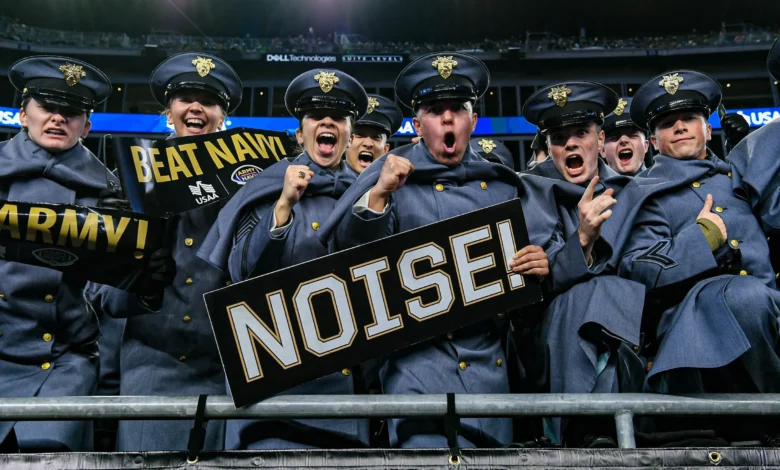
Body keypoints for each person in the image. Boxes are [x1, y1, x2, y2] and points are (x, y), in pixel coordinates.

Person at [319, 52, 549, 449]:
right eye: (434, 110)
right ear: (417, 124)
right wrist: (379, 196)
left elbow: (524, 307)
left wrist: (536, 271)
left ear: (473, 120)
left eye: (457, 109)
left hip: (489, 373)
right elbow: (349, 263)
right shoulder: (389, 176)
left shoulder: (503, 185)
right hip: (414, 368)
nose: (447, 119)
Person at [199, 68, 370, 450]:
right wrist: (282, 207)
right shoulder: (267, 186)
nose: (327, 122)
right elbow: (241, 272)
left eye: (338, 117)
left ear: (349, 134)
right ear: (299, 134)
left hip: (345, 385)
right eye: (316, 116)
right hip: (273, 381)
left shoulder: (369, 191)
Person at [85, 52, 243, 452]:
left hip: (229, 369)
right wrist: (138, 282)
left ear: (222, 117)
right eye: (185, 99)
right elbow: (100, 294)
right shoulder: (129, 179)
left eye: (209, 101)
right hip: (152, 368)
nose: (196, 108)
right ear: (168, 113)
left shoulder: (247, 183)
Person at [617, 70, 779, 441]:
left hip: (769, 307)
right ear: (653, 141)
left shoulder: (739, 177)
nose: (679, 127)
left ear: (707, 129)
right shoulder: (644, 193)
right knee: (745, 298)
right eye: (667, 123)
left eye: (689, 118)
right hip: (695, 325)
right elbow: (636, 267)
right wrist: (700, 240)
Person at [518, 82, 646, 446]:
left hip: (628, 336)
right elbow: (540, 281)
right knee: (596, 291)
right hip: (555, 338)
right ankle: (582, 431)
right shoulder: (531, 191)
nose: (571, 144)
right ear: (549, 148)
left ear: (600, 139)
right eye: (559, 138)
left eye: (581, 133)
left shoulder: (634, 191)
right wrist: (584, 239)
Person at [0, 55, 115, 451]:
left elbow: (111, 290)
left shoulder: (110, 190)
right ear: (22, 114)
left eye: (72, 112)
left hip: (63, 361)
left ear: (86, 126)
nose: (58, 118)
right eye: (48, 106)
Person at [344, 94, 402, 174]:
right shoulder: (326, 179)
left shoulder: (399, 181)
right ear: (346, 142)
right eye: (360, 135)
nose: (368, 143)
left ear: (385, 150)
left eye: (376, 137)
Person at [600, 97, 648, 176]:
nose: (623, 140)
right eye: (614, 137)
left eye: (632, 135)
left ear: (645, 146)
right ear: (602, 150)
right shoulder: (592, 184)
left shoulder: (666, 183)